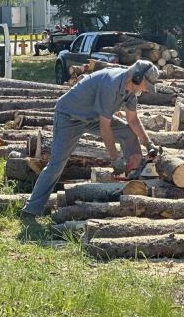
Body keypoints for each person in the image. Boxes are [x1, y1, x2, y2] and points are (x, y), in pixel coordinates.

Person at [20, 60, 160, 220]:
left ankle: (132, 178)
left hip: (92, 117)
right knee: (56, 164)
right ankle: (30, 210)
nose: (145, 89)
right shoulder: (111, 84)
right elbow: (104, 127)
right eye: (145, 84)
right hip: (69, 117)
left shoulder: (130, 91)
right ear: (136, 77)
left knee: (128, 133)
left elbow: (133, 120)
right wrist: (115, 158)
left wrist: (148, 143)